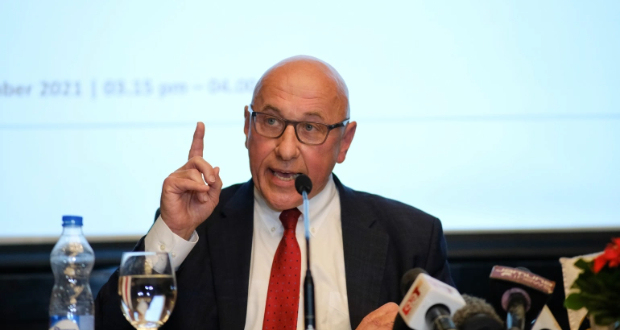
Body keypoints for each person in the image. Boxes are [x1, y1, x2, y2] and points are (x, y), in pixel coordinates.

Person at [95, 56, 453, 330]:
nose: (285, 150)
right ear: (248, 127)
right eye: (270, 121)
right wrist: (170, 235)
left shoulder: (412, 239)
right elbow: (115, 326)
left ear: (344, 142)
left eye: (310, 128)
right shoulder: (193, 229)